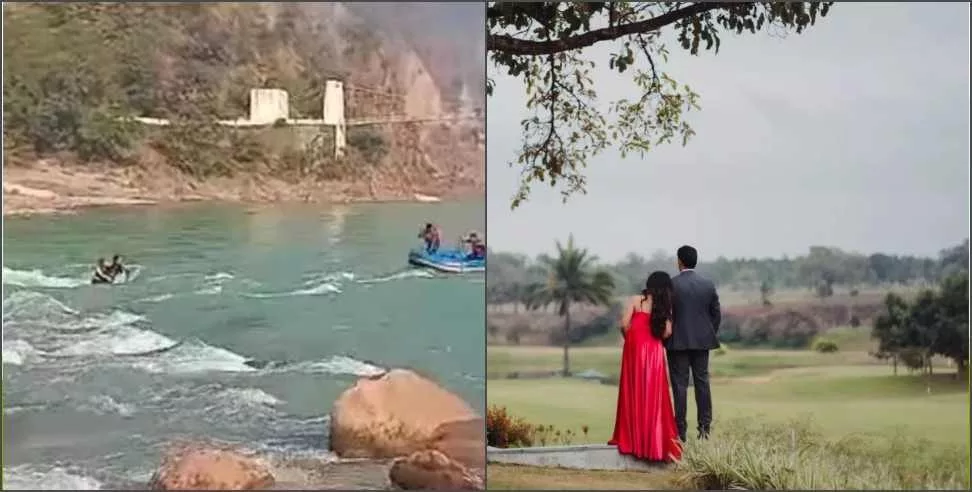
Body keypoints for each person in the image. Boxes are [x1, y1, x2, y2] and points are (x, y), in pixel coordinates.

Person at [608, 271, 682, 462]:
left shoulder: (636, 300)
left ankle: (633, 441)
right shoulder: (665, 307)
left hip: (634, 352)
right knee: (654, 397)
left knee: (633, 393)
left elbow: (624, 324)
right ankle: (653, 444)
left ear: (648, 284)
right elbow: (667, 333)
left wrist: (631, 340)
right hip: (655, 354)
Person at [668, 245, 721, 442]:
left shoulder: (671, 285)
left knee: (680, 386)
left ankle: (680, 432)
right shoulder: (707, 284)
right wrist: (707, 333)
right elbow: (716, 314)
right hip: (702, 342)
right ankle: (704, 430)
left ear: (680, 261)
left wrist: (667, 338)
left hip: (677, 343)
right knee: (702, 383)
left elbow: (664, 315)